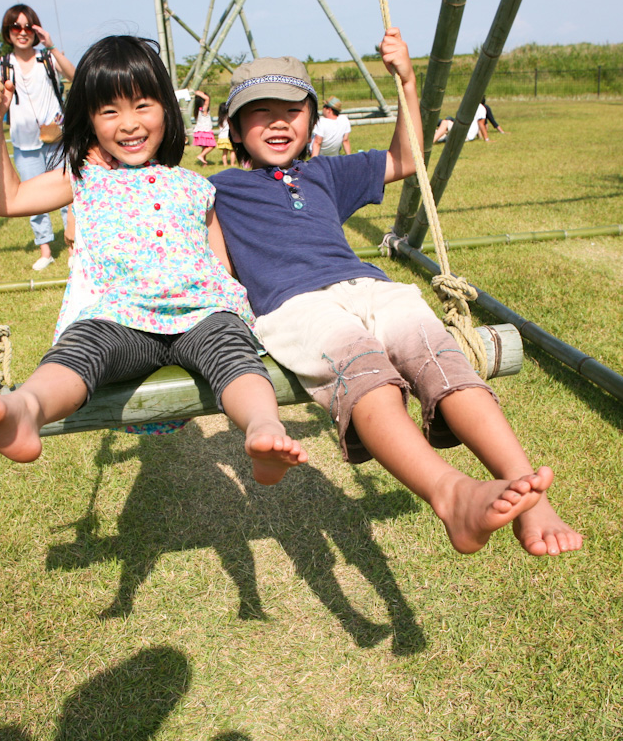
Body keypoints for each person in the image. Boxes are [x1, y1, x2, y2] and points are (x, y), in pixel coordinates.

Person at [212, 29, 582, 557]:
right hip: (295, 305)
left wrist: (407, 81)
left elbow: (406, 159)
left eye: (292, 111)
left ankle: (529, 494)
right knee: (366, 371)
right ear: (233, 127)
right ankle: (450, 494)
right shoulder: (216, 191)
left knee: (437, 353)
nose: (277, 122)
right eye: (259, 112)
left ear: (312, 121)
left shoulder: (324, 173)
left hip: (368, 286)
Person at [0, 35, 306, 485]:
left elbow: (221, 267)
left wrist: (237, 309)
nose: (129, 124)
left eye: (142, 106)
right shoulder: (84, 178)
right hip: (121, 317)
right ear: (90, 121)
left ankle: (263, 429)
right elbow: (9, 199)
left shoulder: (195, 186)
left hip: (201, 314)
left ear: (166, 109)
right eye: (110, 111)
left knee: (232, 350)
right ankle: (22, 411)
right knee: (82, 348)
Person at [0, 4, 76, 271]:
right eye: (16, 27)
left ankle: (73, 248)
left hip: (57, 138)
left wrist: (51, 46)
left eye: (28, 27)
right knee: (32, 199)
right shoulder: (2, 65)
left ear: (36, 30)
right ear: (7, 32)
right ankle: (45, 250)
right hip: (24, 141)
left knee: (67, 194)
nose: (22, 32)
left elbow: (75, 76)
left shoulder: (47, 59)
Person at [191, 89, 217, 166]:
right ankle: (201, 155)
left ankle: (204, 163)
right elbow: (207, 99)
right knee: (212, 145)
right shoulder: (203, 109)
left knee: (205, 147)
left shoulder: (198, 110)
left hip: (200, 130)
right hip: (205, 130)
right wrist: (198, 93)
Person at [215, 101, 237, 167]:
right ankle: (232, 163)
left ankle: (225, 164)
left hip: (222, 137)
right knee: (232, 151)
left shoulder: (220, 119)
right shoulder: (229, 118)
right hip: (229, 137)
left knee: (224, 152)